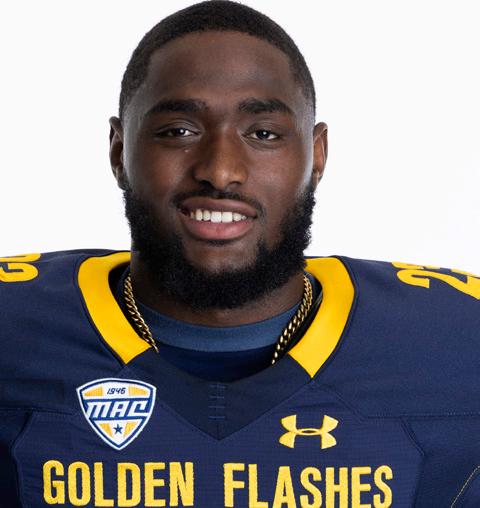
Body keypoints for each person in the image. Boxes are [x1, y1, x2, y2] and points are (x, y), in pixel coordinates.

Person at [0, 1, 479, 506]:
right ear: (119, 151)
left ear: (317, 155)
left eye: (263, 134)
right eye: (179, 131)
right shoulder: (16, 326)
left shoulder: (456, 342)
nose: (221, 170)